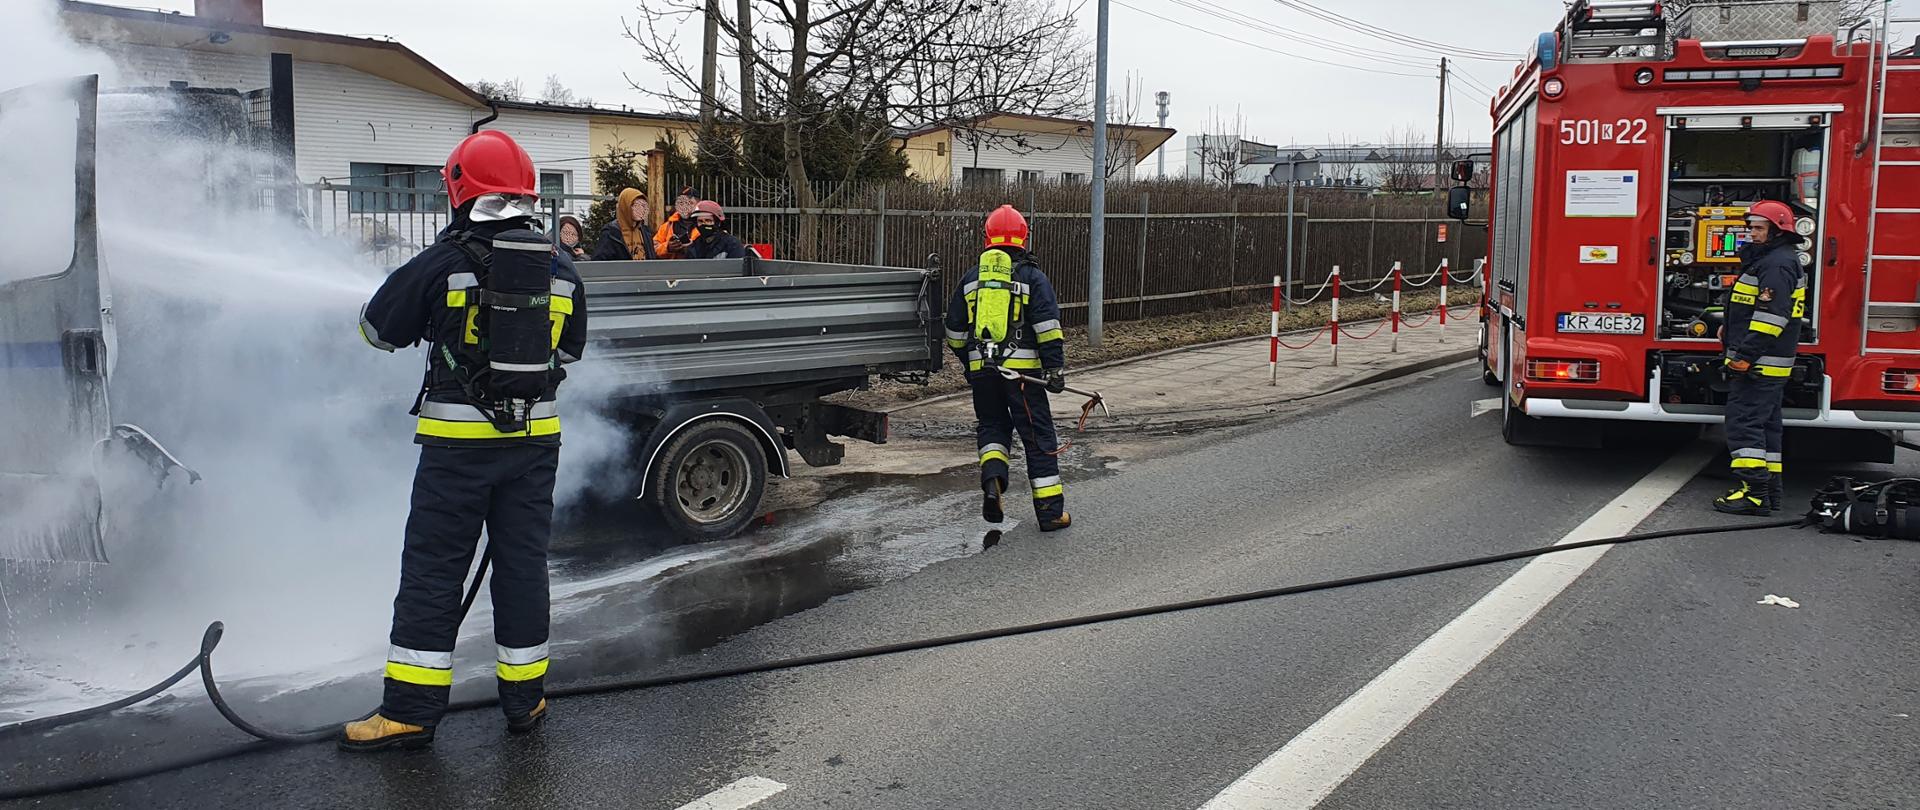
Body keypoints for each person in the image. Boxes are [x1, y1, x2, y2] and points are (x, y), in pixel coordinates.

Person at [347, 129, 588, 750]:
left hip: (457, 450)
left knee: (434, 571)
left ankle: (409, 710)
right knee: (522, 569)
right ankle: (526, 700)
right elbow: (568, 351)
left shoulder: (442, 260)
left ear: (460, 190)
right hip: (536, 447)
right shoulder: (560, 269)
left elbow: (377, 334)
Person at [943, 204, 1071, 532]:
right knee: (1037, 437)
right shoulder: (1032, 277)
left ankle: (993, 483)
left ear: (987, 238)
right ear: (1023, 239)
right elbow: (1048, 328)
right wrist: (1055, 370)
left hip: (983, 373)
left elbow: (954, 332)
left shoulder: (972, 279)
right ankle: (1050, 513)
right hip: (1024, 377)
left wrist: (971, 364)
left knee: (992, 428)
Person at [1714, 199, 1806, 516]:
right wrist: (1729, 327)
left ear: (1777, 230)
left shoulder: (1776, 264)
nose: (1751, 234)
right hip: (1766, 362)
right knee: (1767, 428)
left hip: (1759, 364)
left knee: (1744, 426)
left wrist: (1743, 356)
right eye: (1751, 227)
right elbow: (1753, 306)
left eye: (1758, 228)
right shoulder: (1774, 260)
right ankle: (1770, 494)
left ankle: (1752, 493)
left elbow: (1771, 318)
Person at [591, 187, 656, 261]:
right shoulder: (611, 233)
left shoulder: (645, 232)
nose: (640, 209)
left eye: (643, 206)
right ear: (625, 206)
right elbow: (599, 263)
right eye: (635, 205)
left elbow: (652, 260)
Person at [682, 200, 750, 259]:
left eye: (708, 220)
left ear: (718, 223)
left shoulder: (732, 244)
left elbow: (737, 270)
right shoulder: (695, 246)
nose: (704, 224)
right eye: (700, 221)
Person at [654, 186, 702, 259]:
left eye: (690, 203)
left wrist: (690, 248)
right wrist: (667, 247)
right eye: (681, 203)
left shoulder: (706, 224)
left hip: (697, 269)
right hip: (671, 269)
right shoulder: (666, 227)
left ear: (699, 204)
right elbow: (653, 249)